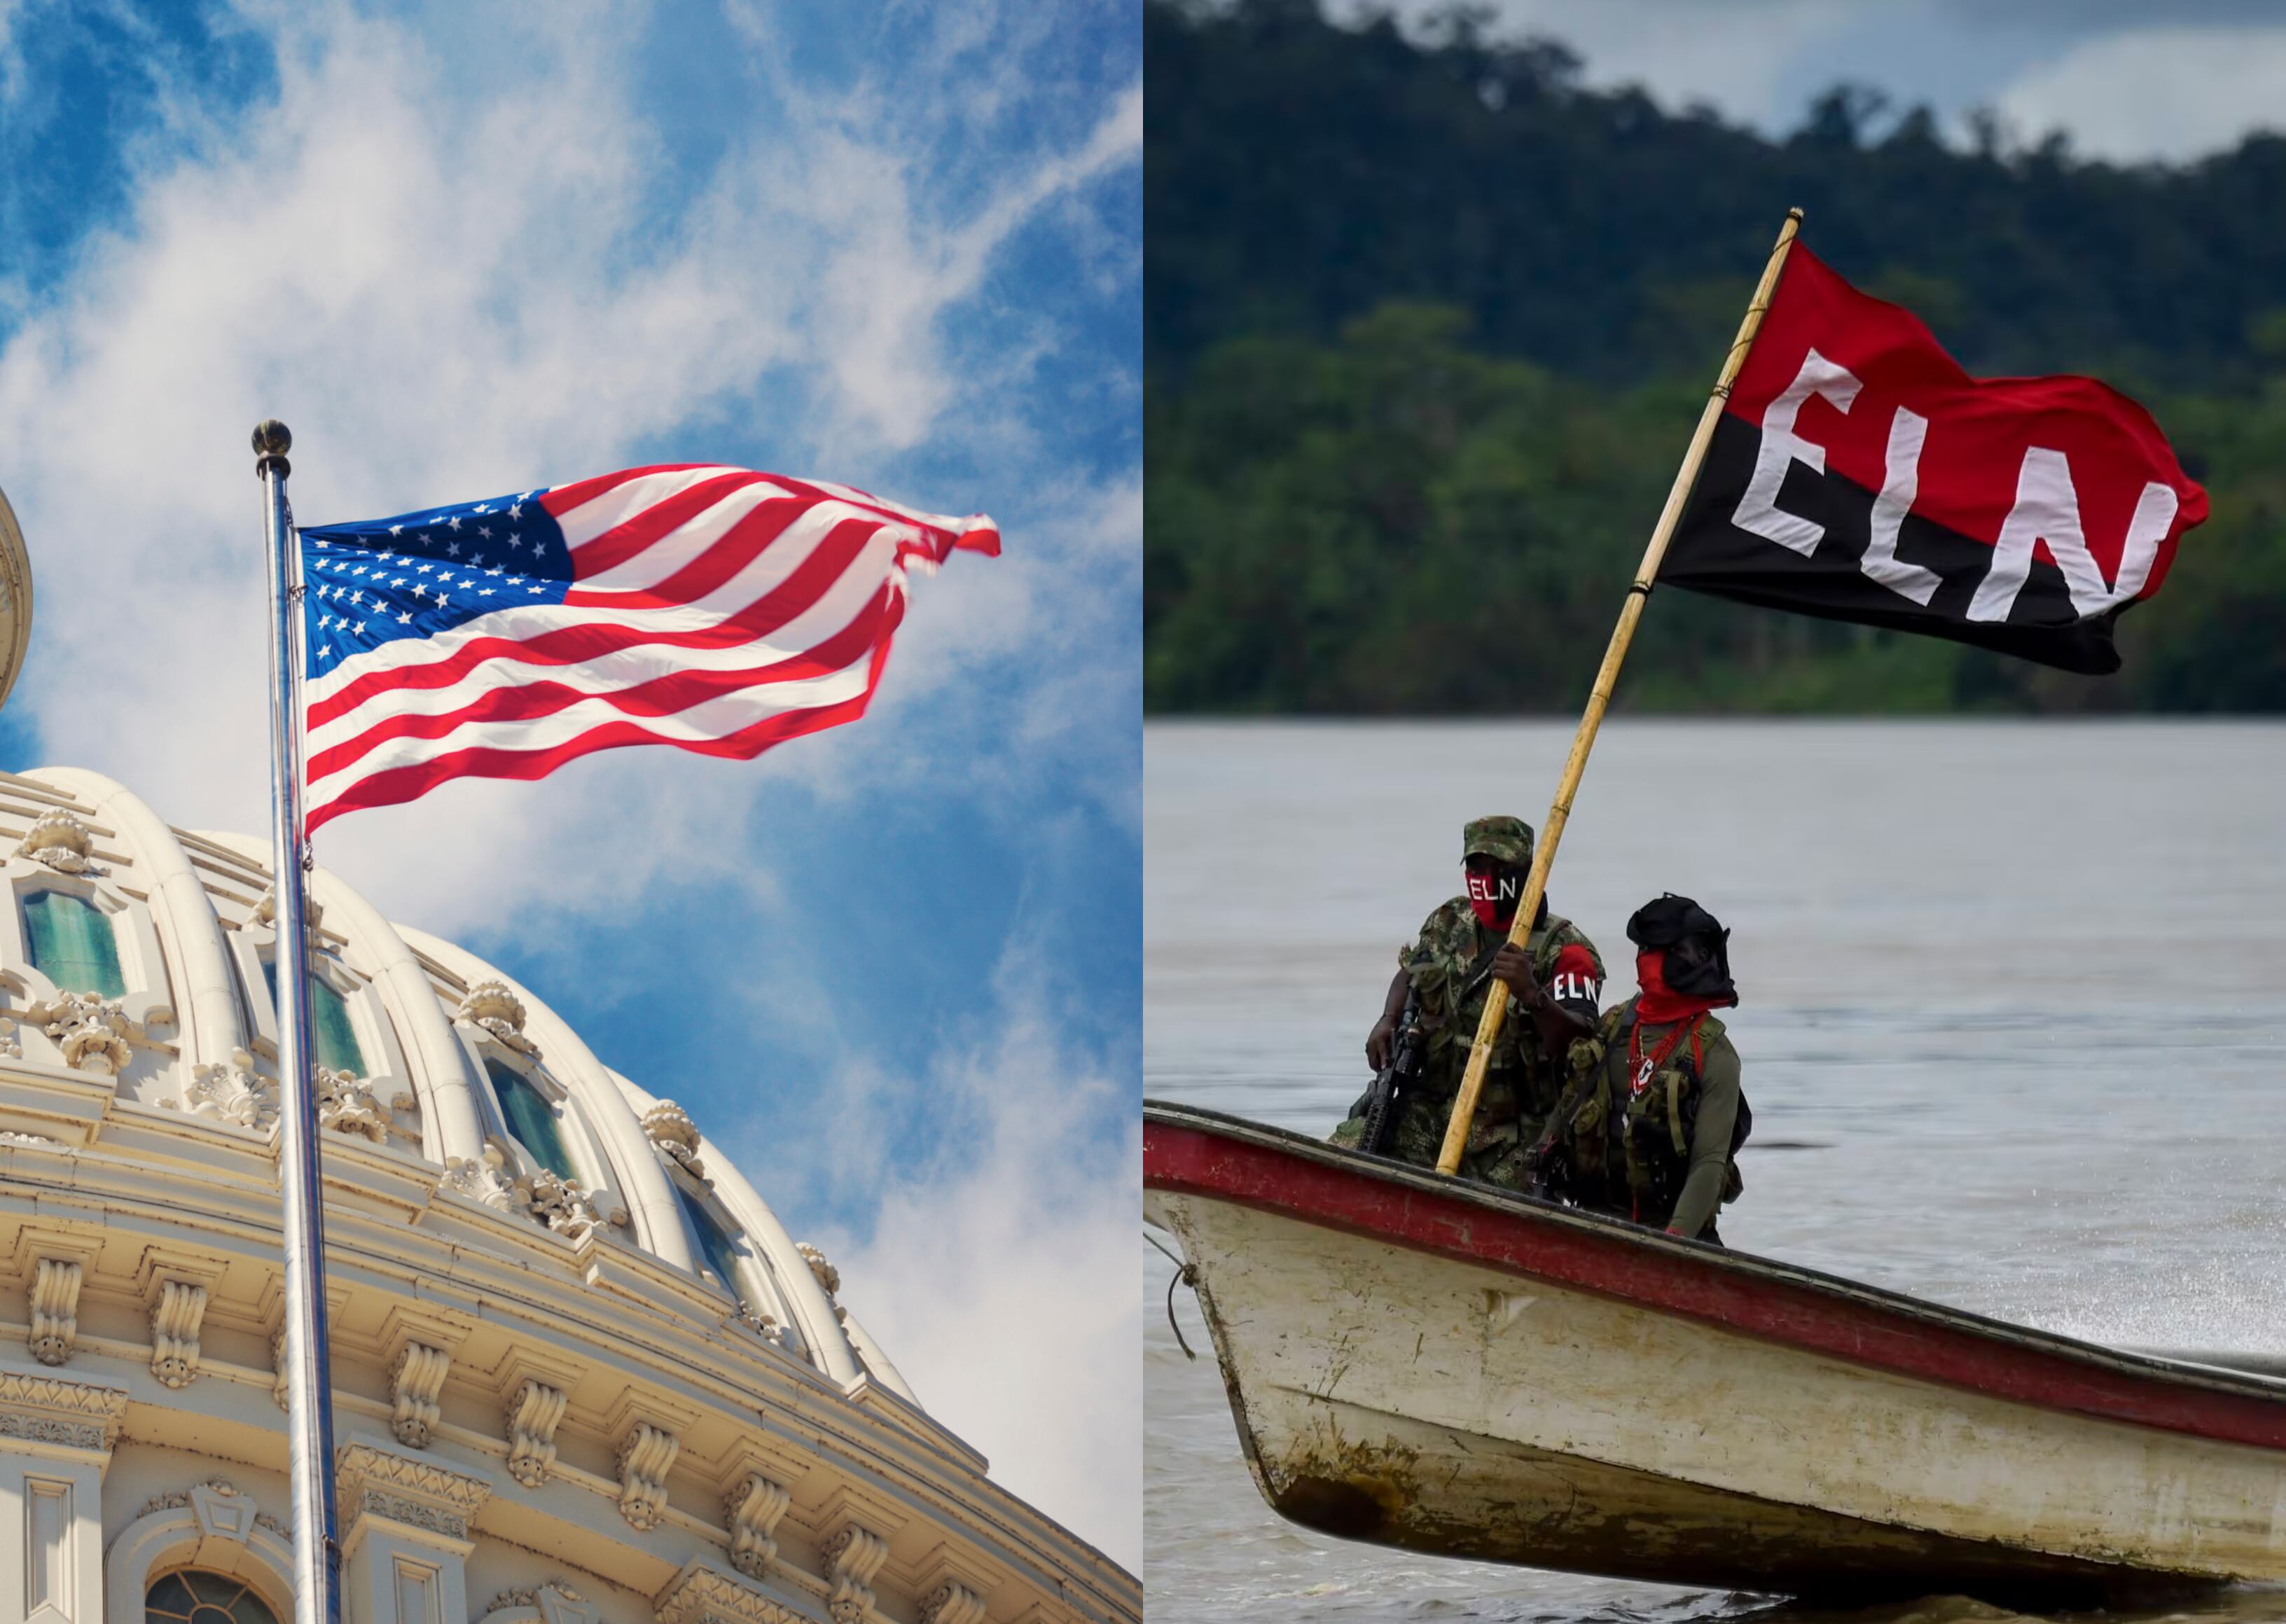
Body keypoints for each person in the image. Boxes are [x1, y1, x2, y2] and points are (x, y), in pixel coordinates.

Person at [1332, 815, 1605, 1187]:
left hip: (1515, 1135)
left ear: (1528, 873)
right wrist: (1389, 1017)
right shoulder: (1450, 921)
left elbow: (1580, 1043)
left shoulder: (1567, 950)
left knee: (1511, 1199)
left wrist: (1532, 995)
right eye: (1476, 866)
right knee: (1349, 1148)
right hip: (1436, 1111)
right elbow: (1412, 973)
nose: (1484, 878)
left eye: (1498, 868)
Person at [1537, 894, 1749, 1242]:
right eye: (1644, 948)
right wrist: (1534, 1176)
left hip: (1671, 1229)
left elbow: (1708, 1163)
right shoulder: (1614, 1026)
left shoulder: (1715, 1055)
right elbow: (1568, 1107)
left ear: (1697, 958)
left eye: (1661, 950)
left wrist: (1673, 1241)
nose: (1646, 959)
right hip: (1593, 1217)